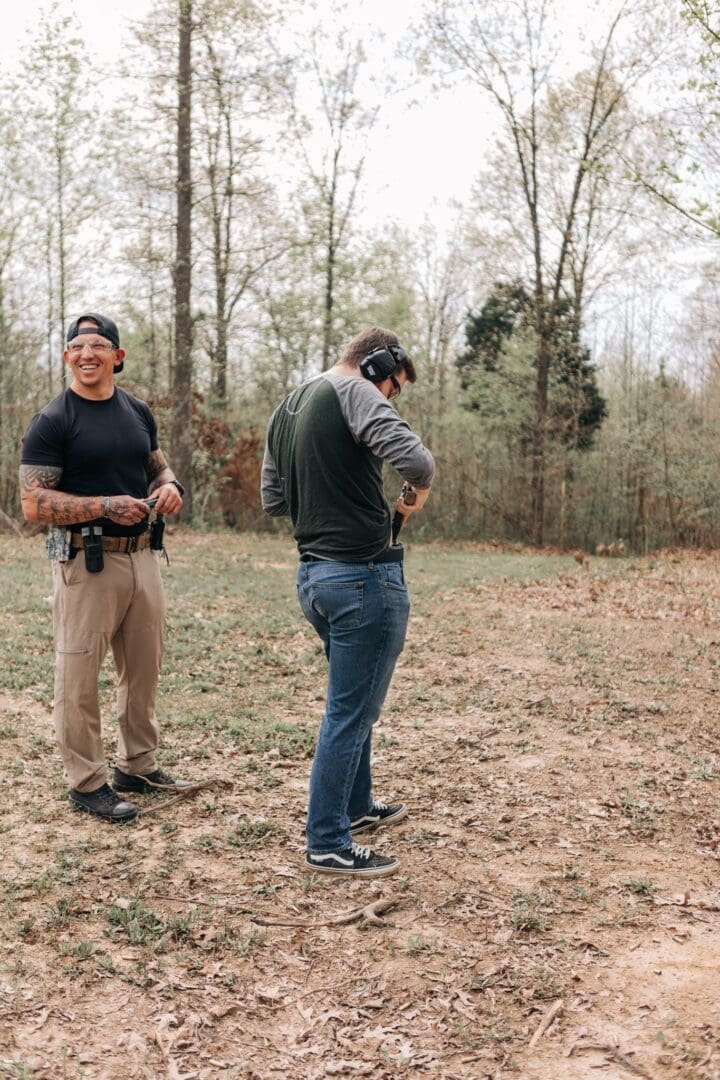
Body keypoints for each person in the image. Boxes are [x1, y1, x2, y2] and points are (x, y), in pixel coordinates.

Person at [261, 326, 435, 878]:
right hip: (363, 577)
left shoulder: (288, 407)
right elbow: (418, 462)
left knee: (351, 699)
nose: (390, 399)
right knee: (350, 711)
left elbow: (274, 499)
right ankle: (328, 842)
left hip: (314, 577)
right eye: (394, 388)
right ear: (376, 364)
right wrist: (415, 495)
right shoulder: (356, 392)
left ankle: (355, 807)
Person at [20, 312, 188, 823]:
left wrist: (171, 486)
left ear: (118, 356)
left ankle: (136, 766)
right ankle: (87, 781)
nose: (86, 353)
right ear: (68, 357)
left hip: (142, 556)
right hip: (84, 563)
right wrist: (103, 505)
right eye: (77, 346)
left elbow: (156, 462)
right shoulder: (54, 419)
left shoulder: (137, 411)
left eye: (97, 345)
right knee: (79, 675)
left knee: (143, 668)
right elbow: (32, 503)